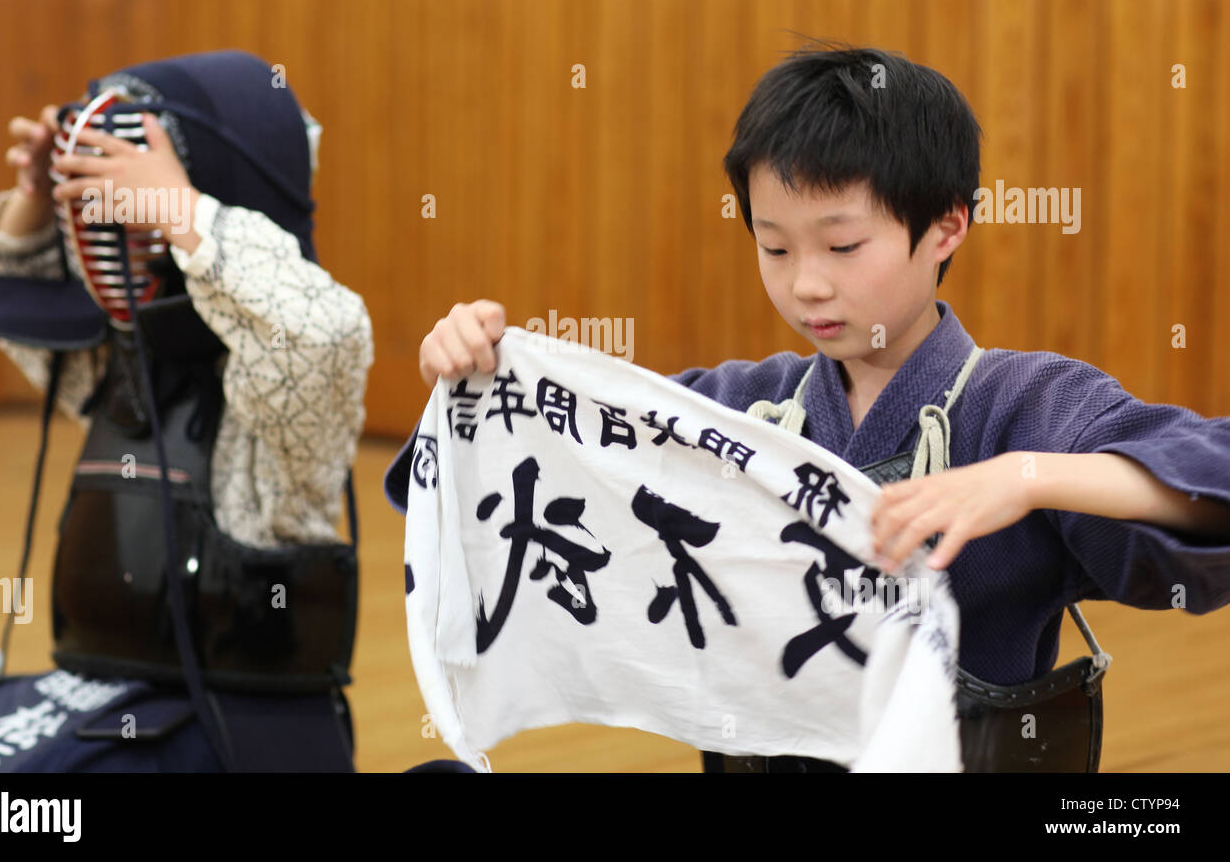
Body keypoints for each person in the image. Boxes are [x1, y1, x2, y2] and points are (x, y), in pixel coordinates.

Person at [384, 43, 1230, 772]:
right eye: (774, 245)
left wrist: (1026, 478)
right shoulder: (745, 410)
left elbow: (1212, 480)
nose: (806, 283)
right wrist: (477, 374)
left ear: (946, 229)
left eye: (842, 244)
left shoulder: (1025, 406)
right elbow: (516, 469)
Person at [0, 51, 373, 772]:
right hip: (108, 704)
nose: (123, 229)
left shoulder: (284, 410)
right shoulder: (125, 372)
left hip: (229, 731)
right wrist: (38, 195)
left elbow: (321, 332)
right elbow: (20, 309)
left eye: (139, 203)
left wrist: (177, 208)